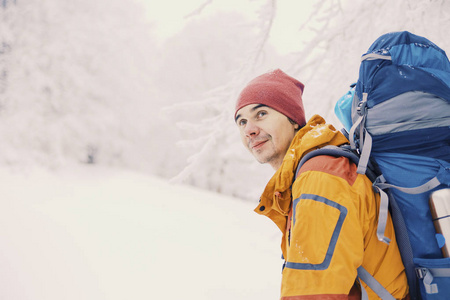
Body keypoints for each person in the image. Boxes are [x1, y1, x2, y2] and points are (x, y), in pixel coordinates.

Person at [234, 69, 409, 299]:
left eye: (261, 114)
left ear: (293, 120)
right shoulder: (314, 170)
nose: (249, 130)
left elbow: (315, 293)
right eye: (242, 121)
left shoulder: (319, 178)